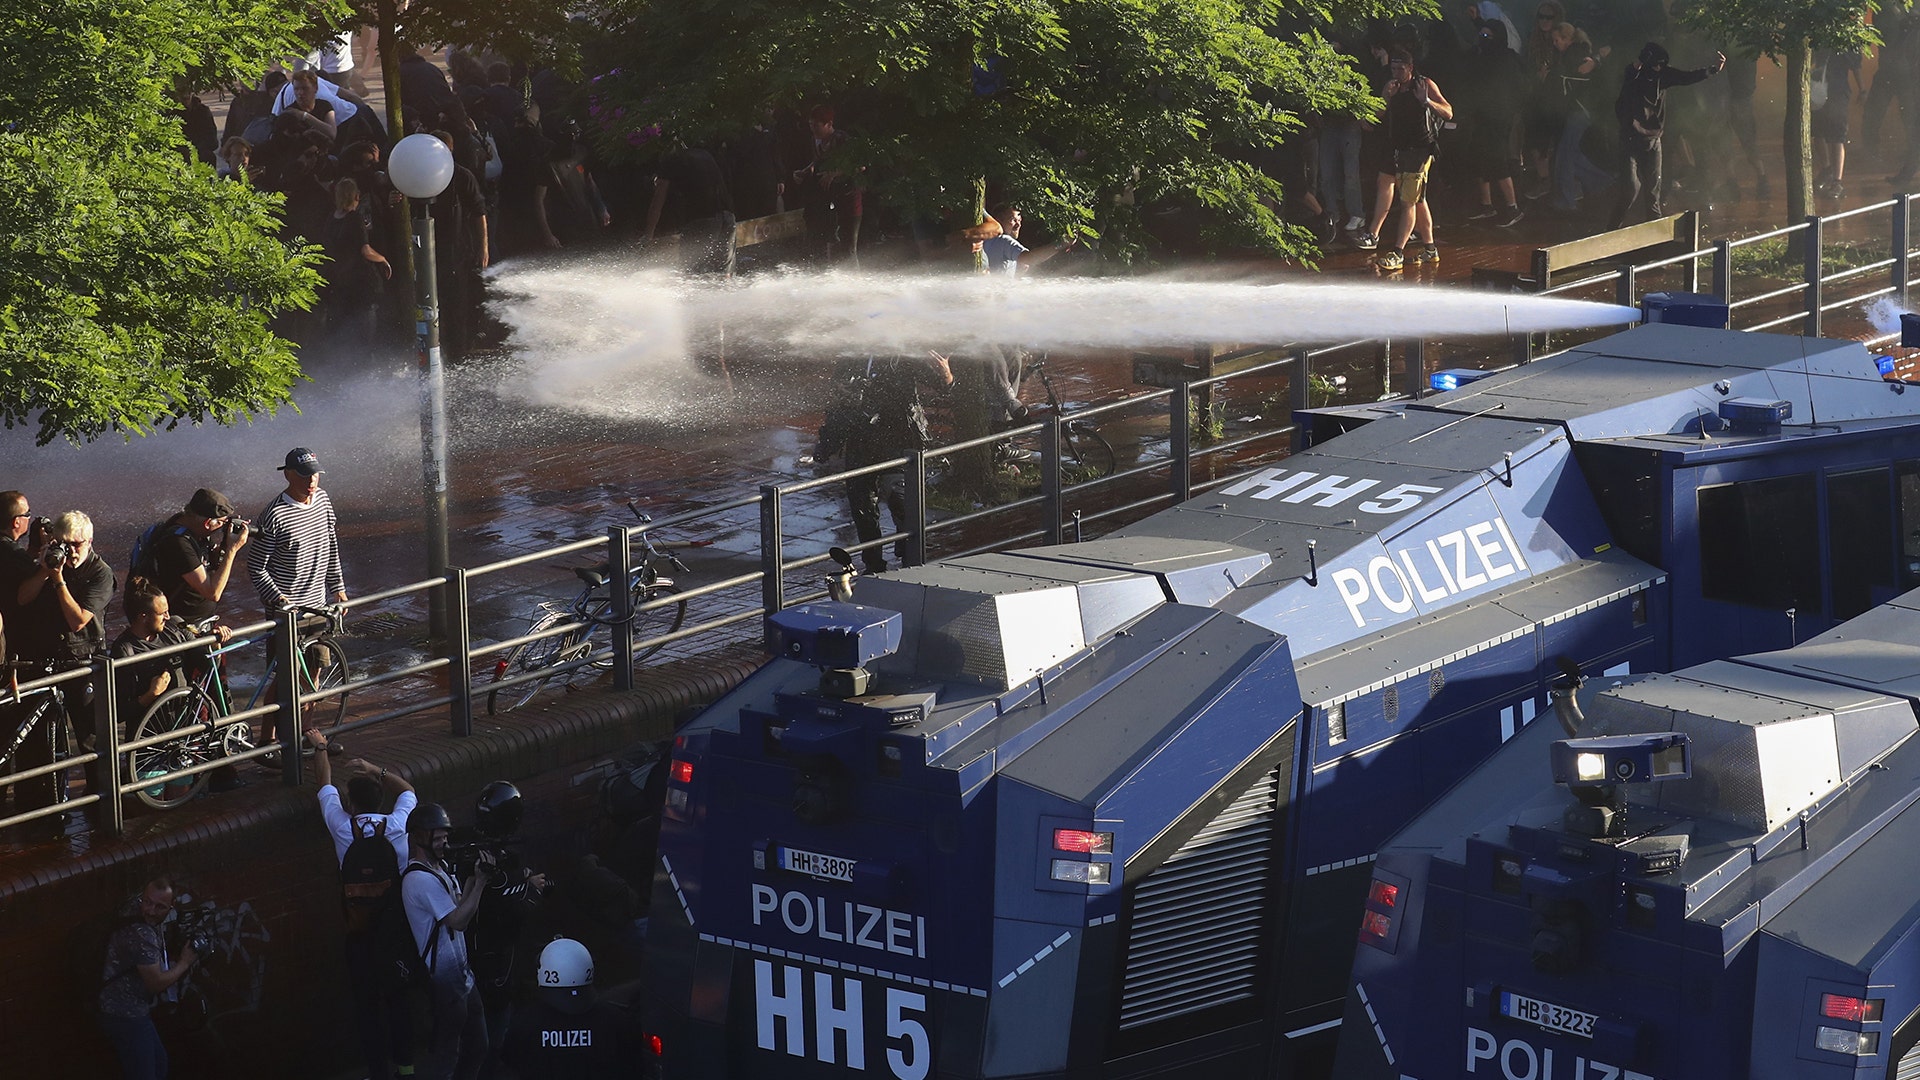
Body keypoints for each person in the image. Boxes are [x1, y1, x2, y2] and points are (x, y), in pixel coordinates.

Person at [308, 729, 417, 1080]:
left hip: (359, 934)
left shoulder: (343, 828)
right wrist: (375, 769)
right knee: (399, 1003)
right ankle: (407, 1071)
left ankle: (377, 1072)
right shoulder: (397, 825)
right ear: (380, 802)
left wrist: (320, 747)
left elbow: (323, 784)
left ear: (351, 805)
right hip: (397, 931)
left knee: (367, 1008)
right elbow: (408, 792)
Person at [13, 511, 113, 823]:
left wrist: (57, 580)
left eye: (76, 545)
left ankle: (102, 807)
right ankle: (49, 810)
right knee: (45, 737)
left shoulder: (100, 573)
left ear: (90, 541)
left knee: (90, 737)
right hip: (47, 660)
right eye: (63, 544)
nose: (69, 552)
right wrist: (44, 570)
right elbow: (21, 599)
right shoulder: (51, 563)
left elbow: (78, 620)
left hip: (82, 662)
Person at [814, 352, 954, 573]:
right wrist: (827, 443)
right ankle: (873, 565)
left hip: (898, 440)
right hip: (860, 441)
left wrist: (946, 374)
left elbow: (944, 387)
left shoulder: (903, 356)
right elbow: (838, 405)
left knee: (901, 500)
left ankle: (909, 555)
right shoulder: (850, 359)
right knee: (862, 508)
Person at [247, 448, 348, 750]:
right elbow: (256, 566)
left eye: (315, 475)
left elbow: (331, 544)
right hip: (287, 612)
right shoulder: (274, 515)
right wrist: (279, 599)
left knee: (314, 669)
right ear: (288, 475)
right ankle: (267, 740)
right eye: (304, 476)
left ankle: (308, 733)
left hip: (318, 605)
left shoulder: (324, 501)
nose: (311, 481)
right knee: (284, 678)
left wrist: (338, 587)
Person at [402, 802, 493, 1080]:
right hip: (444, 982)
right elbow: (458, 921)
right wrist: (480, 883)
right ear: (420, 837)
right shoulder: (419, 879)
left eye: (445, 837)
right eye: (438, 838)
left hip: (463, 975)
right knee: (447, 1055)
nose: (444, 844)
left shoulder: (440, 868)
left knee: (478, 1046)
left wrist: (471, 878)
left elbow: (459, 905)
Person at [500, 938, 659, 1079]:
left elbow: (509, 1065)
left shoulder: (525, 1023)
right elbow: (635, 1068)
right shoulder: (619, 1022)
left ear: (544, 973)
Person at [1609, 41, 1725, 228]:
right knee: (1631, 189)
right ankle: (1612, 229)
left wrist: (1712, 70)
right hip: (1630, 141)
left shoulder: (1663, 74)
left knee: (1653, 193)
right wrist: (1640, 62)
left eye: (1661, 65)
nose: (1658, 68)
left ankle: (1656, 235)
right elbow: (1630, 74)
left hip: (1653, 141)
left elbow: (1686, 77)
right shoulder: (1634, 76)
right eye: (1655, 65)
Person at [97, 875, 197, 1080]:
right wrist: (185, 962)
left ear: (171, 906)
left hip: (126, 1008)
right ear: (142, 896)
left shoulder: (132, 907)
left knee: (159, 1064)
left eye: (159, 906)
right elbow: (155, 983)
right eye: (148, 902)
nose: (150, 910)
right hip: (125, 1013)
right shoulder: (143, 936)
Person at [1364, 49, 1453, 272]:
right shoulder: (1392, 87)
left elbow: (1448, 112)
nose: (1396, 73)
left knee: (1407, 202)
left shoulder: (1424, 84)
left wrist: (1426, 101)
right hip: (1400, 150)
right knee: (1418, 200)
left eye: (1400, 69)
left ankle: (1398, 252)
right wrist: (1386, 97)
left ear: (1410, 68)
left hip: (1420, 150)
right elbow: (1377, 117)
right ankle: (1430, 249)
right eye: (1393, 69)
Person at [134, 489, 249, 626]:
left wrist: (225, 543)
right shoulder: (178, 542)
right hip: (180, 627)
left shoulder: (195, 530)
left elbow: (213, 563)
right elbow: (213, 592)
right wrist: (232, 549)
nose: (222, 527)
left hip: (200, 623)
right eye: (221, 522)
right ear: (207, 523)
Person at [794, 105, 862, 264]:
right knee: (829, 240)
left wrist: (834, 173)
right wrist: (805, 171)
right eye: (811, 125)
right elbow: (818, 161)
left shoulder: (842, 139)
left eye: (816, 125)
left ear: (829, 124)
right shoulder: (815, 140)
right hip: (830, 198)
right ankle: (832, 274)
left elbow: (859, 165)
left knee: (848, 246)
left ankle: (854, 276)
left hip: (849, 197)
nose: (813, 129)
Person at [979, 204, 1074, 276]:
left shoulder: (981, 240)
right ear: (999, 220)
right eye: (1013, 219)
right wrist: (1061, 244)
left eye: (1019, 220)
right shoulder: (1004, 241)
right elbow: (1030, 258)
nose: (1018, 225)